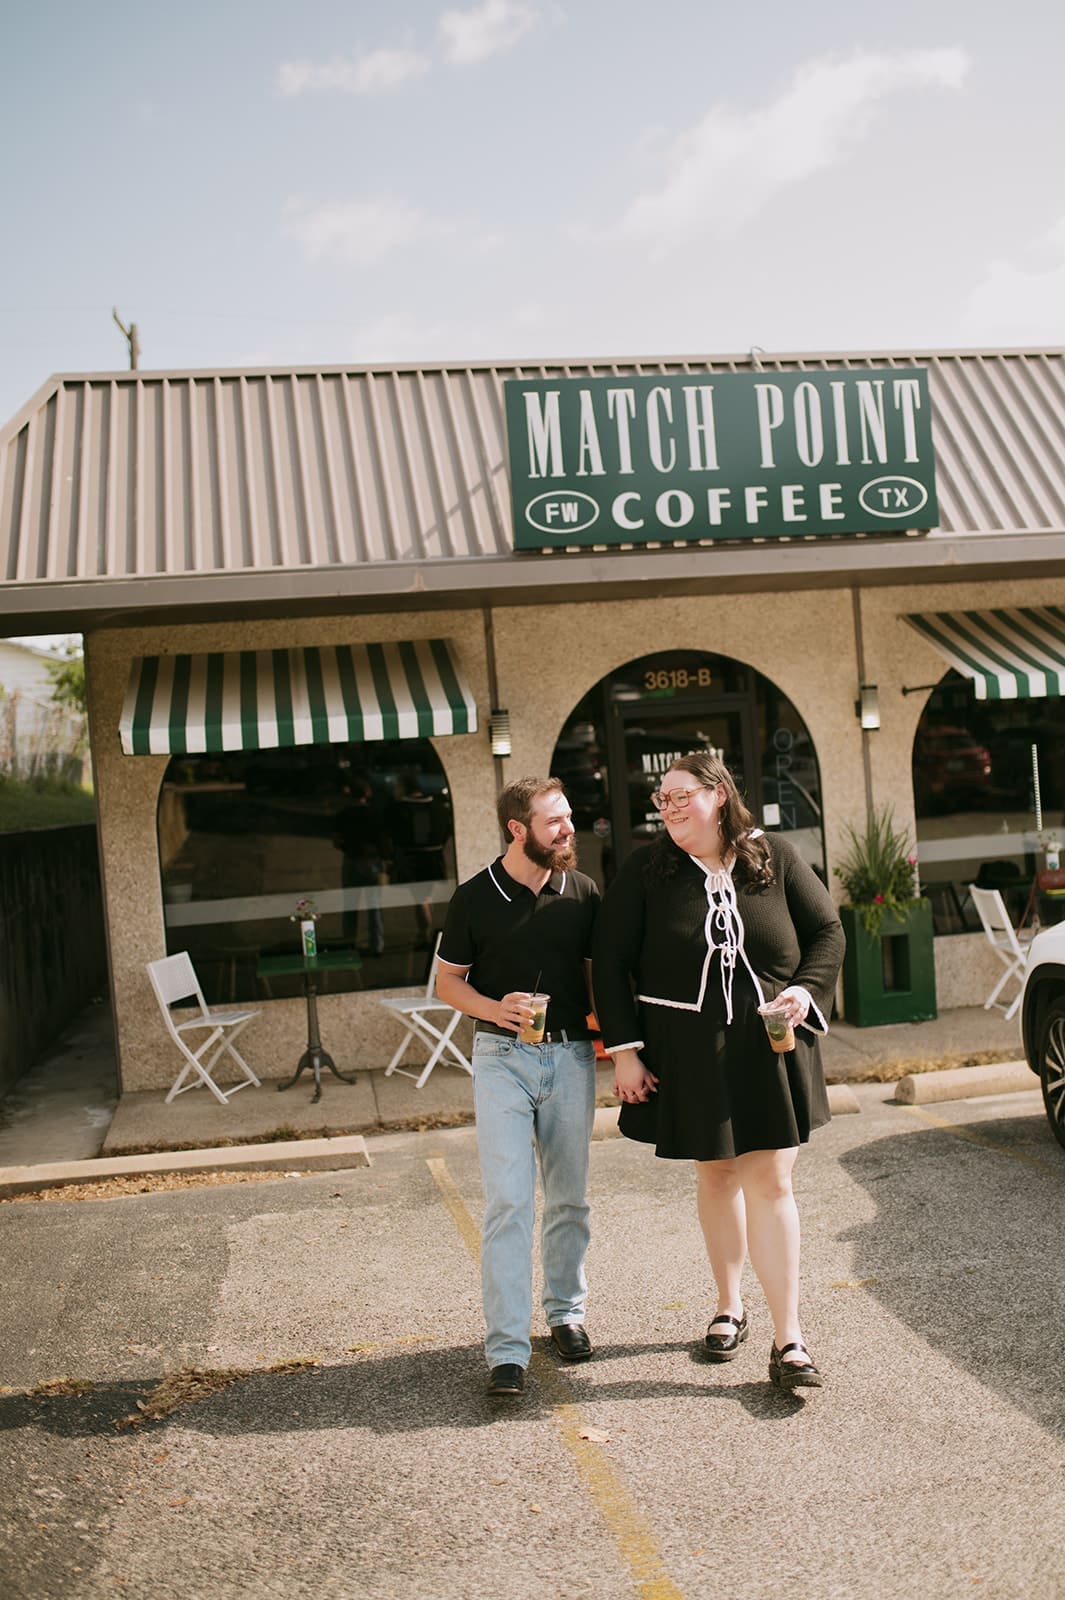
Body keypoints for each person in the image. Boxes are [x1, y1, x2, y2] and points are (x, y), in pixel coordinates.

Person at [592, 751, 844, 1391]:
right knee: (718, 1173)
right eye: (662, 800)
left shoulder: (774, 856)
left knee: (772, 1180)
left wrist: (805, 993)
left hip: (771, 1045)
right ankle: (730, 1305)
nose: (669, 809)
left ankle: (790, 1340)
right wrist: (625, 1051)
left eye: (681, 796)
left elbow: (827, 933)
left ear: (719, 796)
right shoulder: (648, 871)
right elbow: (609, 960)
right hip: (691, 1049)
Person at [436, 776, 601, 1399]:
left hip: (572, 1059)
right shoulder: (474, 897)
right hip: (501, 1057)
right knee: (508, 1202)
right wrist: (494, 1008)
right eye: (554, 821)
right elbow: (448, 984)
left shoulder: (582, 892)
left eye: (568, 817)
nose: (567, 830)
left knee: (568, 1199)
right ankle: (507, 1350)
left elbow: (599, 975)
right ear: (517, 829)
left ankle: (566, 1314)